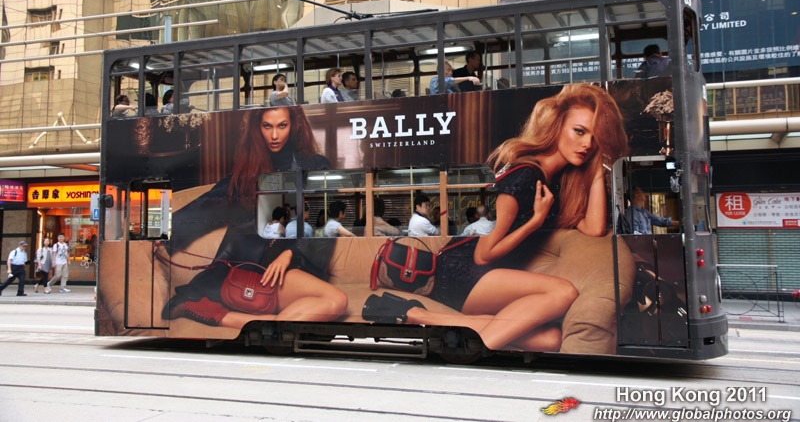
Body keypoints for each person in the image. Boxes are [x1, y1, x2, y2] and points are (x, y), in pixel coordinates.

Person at [363, 84, 629, 352]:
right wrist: (535, 222)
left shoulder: (557, 183)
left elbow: (594, 228)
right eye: (579, 131)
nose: (587, 144)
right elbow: (483, 255)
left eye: (595, 138)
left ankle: (419, 315)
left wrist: (598, 166)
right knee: (564, 292)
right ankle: (471, 354)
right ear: (557, 126)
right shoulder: (525, 176)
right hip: (462, 271)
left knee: (551, 340)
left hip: (490, 278)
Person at [162, 107, 345, 328]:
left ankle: (222, 317)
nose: (274, 135)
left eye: (282, 125)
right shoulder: (248, 172)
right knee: (336, 301)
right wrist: (161, 232)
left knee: (333, 302)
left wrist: (290, 253)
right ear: (258, 128)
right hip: (254, 270)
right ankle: (244, 321)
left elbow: (325, 219)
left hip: (294, 262)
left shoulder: (315, 165)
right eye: (267, 126)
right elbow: (207, 205)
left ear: (294, 126)